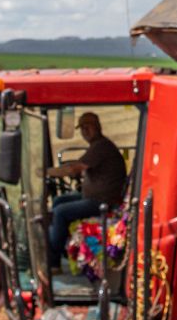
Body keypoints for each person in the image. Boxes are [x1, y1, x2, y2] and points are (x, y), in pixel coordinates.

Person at [46, 112, 127, 270]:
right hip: (93, 197)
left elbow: (75, 168)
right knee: (58, 202)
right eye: (82, 128)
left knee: (61, 212)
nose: (85, 131)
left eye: (88, 127)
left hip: (102, 202)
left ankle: (53, 262)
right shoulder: (97, 146)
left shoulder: (101, 146)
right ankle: (60, 247)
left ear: (97, 127)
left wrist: (47, 172)